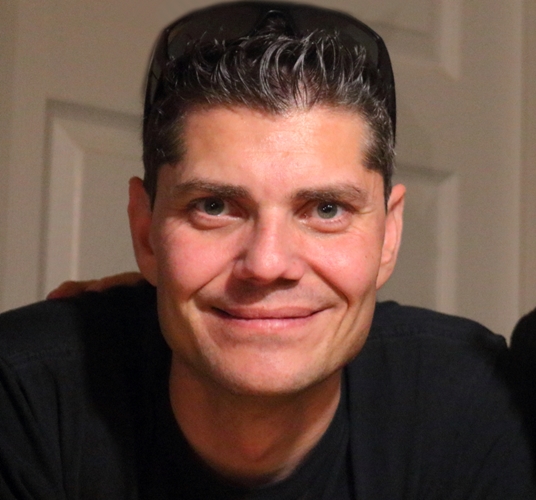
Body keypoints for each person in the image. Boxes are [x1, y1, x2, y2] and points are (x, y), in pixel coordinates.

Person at [1, 2, 534, 498]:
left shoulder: (471, 402)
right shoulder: (24, 398)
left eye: (327, 209)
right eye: (214, 207)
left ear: (389, 235)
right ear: (147, 232)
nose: (267, 264)